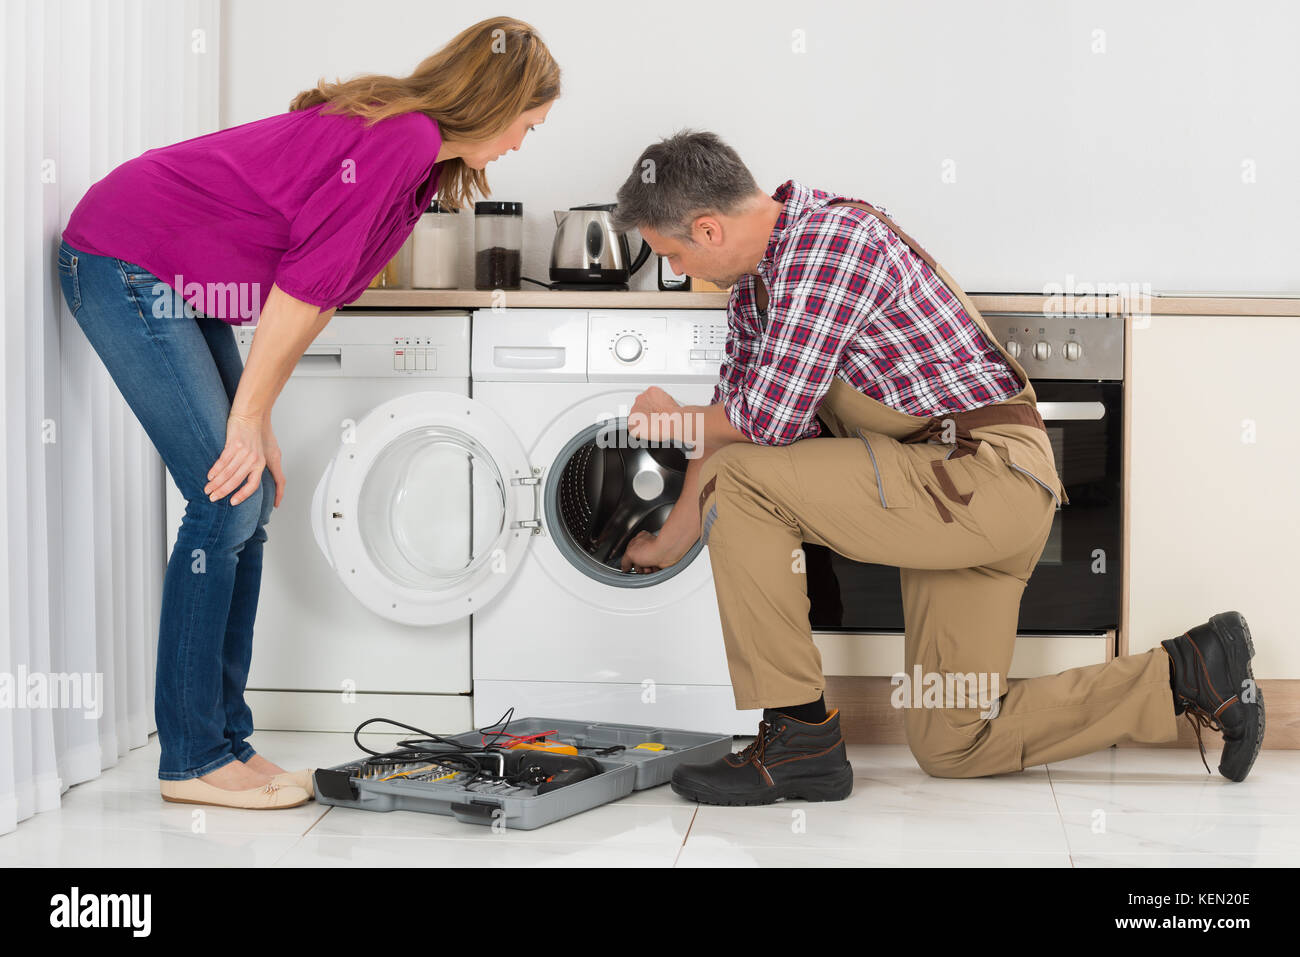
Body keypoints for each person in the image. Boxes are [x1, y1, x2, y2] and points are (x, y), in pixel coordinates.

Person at [613, 130, 1265, 806]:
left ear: (708, 228)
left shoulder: (828, 242)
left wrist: (672, 418)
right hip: (943, 494)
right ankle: (1191, 671)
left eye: (674, 253)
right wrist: (666, 544)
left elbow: (762, 426)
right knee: (954, 740)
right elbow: (732, 425)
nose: (682, 269)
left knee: (746, 476)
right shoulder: (755, 293)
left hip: (983, 477)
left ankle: (800, 738)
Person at [56, 16, 560, 809]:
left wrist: (262, 422)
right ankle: (189, 759)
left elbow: (316, 294)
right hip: (126, 258)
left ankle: (226, 744)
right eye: (529, 124)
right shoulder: (404, 139)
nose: (524, 143)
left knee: (247, 501)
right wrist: (246, 417)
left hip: (182, 279)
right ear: (497, 99)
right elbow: (296, 290)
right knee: (222, 502)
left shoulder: (420, 165)